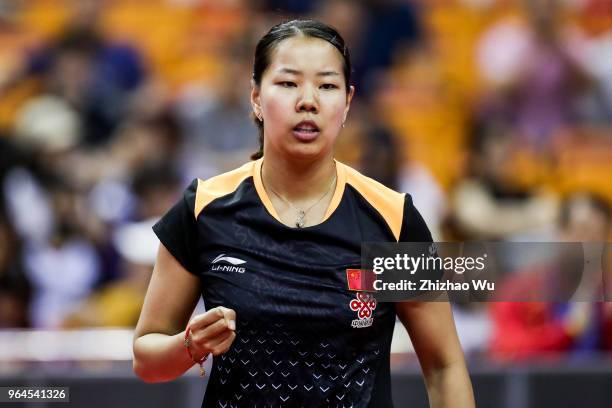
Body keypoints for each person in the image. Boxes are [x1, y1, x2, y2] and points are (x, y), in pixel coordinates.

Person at [133, 19, 474, 407]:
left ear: (346, 103)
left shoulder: (393, 219)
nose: (307, 100)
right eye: (288, 83)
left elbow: (444, 366)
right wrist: (190, 345)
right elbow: (147, 358)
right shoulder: (205, 209)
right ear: (256, 98)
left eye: (327, 86)